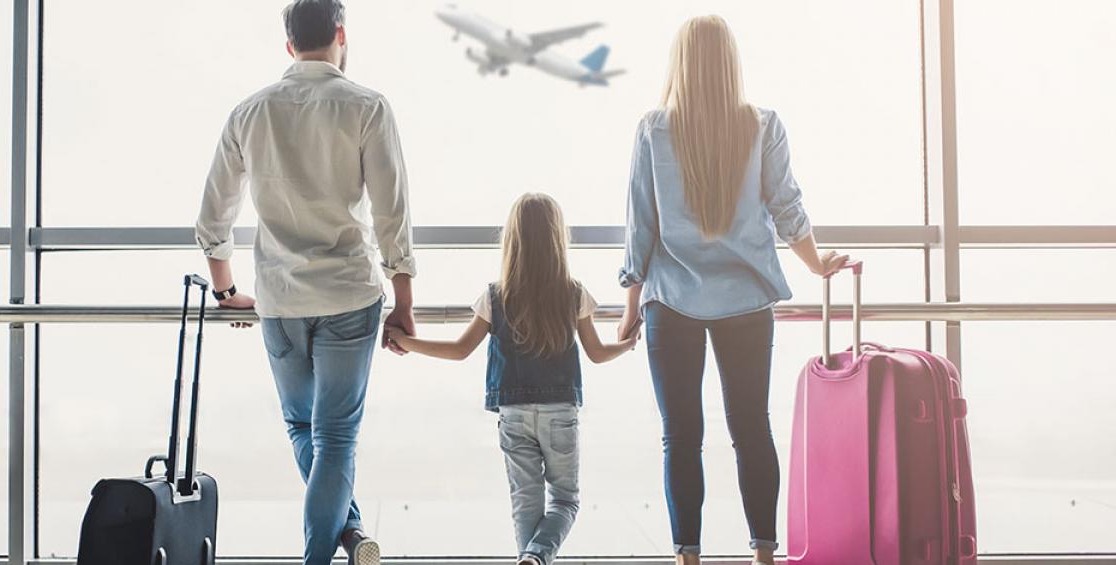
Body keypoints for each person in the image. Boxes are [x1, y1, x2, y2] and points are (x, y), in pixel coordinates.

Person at [613, 15, 851, 565]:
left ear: (680, 63)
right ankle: (764, 555)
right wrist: (815, 264)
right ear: (730, 64)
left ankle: (687, 558)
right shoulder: (762, 125)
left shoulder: (653, 128)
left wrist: (631, 307)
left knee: (681, 436)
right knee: (751, 427)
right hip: (746, 302)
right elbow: (786, 205)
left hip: (670, 303)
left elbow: (639, 228)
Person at [193, 1, 417, 564]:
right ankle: (336, 543)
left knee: (303, 426)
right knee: (335, 438)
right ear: (340, 35)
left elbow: (213, 220)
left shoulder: (251, 111)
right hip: (350, 293)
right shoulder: (367, 106)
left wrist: (226, 292)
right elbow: (392, 215)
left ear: (289, 45)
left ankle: (348, 532)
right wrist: (405, 302)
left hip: (280, 299)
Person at [389, 193, 636, 565]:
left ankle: (530, 558)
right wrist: (628, 343)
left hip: (514, 413)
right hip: (560, 413)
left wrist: (406, 341)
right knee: (565, 500)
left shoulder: (496, 295)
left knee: (525, 500)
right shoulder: (572, 293)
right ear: (557, 239)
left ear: (513, 239)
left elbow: (459, 350)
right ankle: (535, 557)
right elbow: (598, 354)